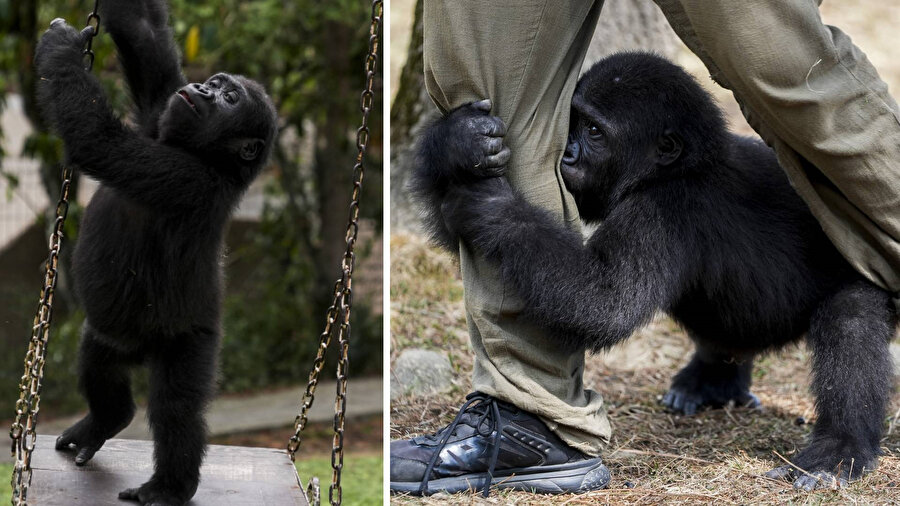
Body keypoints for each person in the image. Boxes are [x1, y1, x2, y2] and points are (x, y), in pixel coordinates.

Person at [390, 0, 900, 496]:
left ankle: (844, 445)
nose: (571, 148)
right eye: (577, 123)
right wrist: (446, 153)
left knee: (852, 310)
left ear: (665, 152)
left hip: (810, 298)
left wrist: (501, 215)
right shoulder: (657, 174)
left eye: (594, 133)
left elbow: (600, 309)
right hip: (742, 299)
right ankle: (704, 373)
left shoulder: (668, 206)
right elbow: (464, 222)